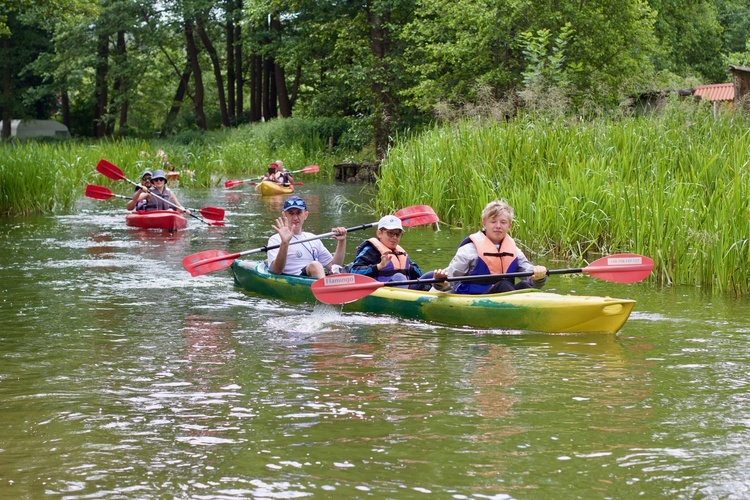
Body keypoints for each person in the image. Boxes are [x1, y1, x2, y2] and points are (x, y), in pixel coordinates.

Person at [433, 199, 547, 294]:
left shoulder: (515, 252)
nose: (498, 226)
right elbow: (448, 283)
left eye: (503, 222)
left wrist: (539, 276)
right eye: (493, 222)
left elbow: (533, 282)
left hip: (505, 297)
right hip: (473, 298)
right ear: (484, 224)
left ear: (509, 226)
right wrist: (440, 282)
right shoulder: (468, 251)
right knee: (504, 285)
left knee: (525, 285)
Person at [266, 195, 347, 278]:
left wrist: (342, 241)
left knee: (346, 268)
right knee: (315, 265)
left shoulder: (313, 238)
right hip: (295, 280)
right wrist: (285, 243)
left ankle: (326, 287)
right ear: (284, 215)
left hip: (315, 278)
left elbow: (334, 266)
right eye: (291, 213)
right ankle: (326, 288)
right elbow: (277, 271)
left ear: (306, 215)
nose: (295, 217)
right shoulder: (275, 239)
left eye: (299, 213)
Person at [348, 215, 433, 290]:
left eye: (398, 234)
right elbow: (354, 271)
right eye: (390, 233)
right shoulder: (370, 251)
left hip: (405, 290)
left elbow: (420, 274)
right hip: (382, 290)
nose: (395, 237)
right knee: (399, 277)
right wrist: (379, 266)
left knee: (432, 275)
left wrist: (410, 267)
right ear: (379, 233)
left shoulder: (400, 253)